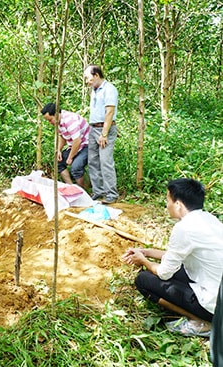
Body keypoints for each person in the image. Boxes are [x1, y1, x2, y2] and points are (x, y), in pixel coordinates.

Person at [122, 178, 223, 337]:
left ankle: (206, 323)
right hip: (216, 289)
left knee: (143, 280)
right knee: (176, 270)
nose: (166, 205)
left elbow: (164, 273)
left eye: (168, 200)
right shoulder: (208, 219)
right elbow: (176, 256)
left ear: (178, 205)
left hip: (214, 305)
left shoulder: (184, 228)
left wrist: (143, 261)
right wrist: (146, 252)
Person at [83, 64, 118, 204]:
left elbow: (109, 112)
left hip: (104, 130)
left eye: (88, 78)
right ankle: (98, 192)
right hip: (93, 128)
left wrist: (104, 133)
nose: (87, 81)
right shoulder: (94, 90)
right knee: (93, 161)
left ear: (96, 75)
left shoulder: (109, 89)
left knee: (105, 162)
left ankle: (111, 194)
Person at [41, 102, 90, 188]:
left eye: (50, 119)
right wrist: (59, 150)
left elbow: (77, 141)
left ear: (56, 114)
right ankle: (71, 187)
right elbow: (62, 136)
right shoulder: (59, 122)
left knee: (75, 168)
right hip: (74, 146)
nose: (49, 122)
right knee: (58, 162)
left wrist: (70, 157)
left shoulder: (69, 120)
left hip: (86, 145)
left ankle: (83, 190)